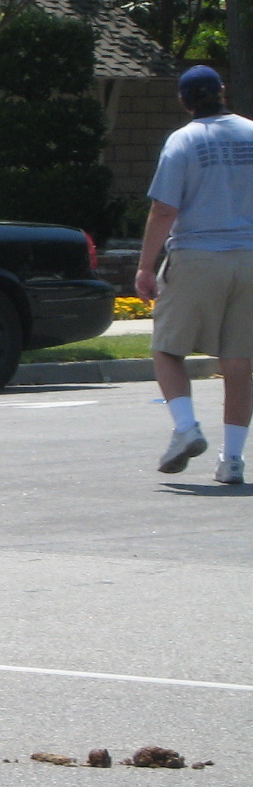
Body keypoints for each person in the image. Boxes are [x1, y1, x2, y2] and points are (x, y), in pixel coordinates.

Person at [136, 64, 253, 484]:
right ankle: (233, 460)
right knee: (239, 360)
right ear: (222, 91)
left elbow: (164, 209)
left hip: (199, 253)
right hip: (250, 256)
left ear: (185, 102)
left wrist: (146, 267)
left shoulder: (183, 141)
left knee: (167, 348)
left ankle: (186, 428)